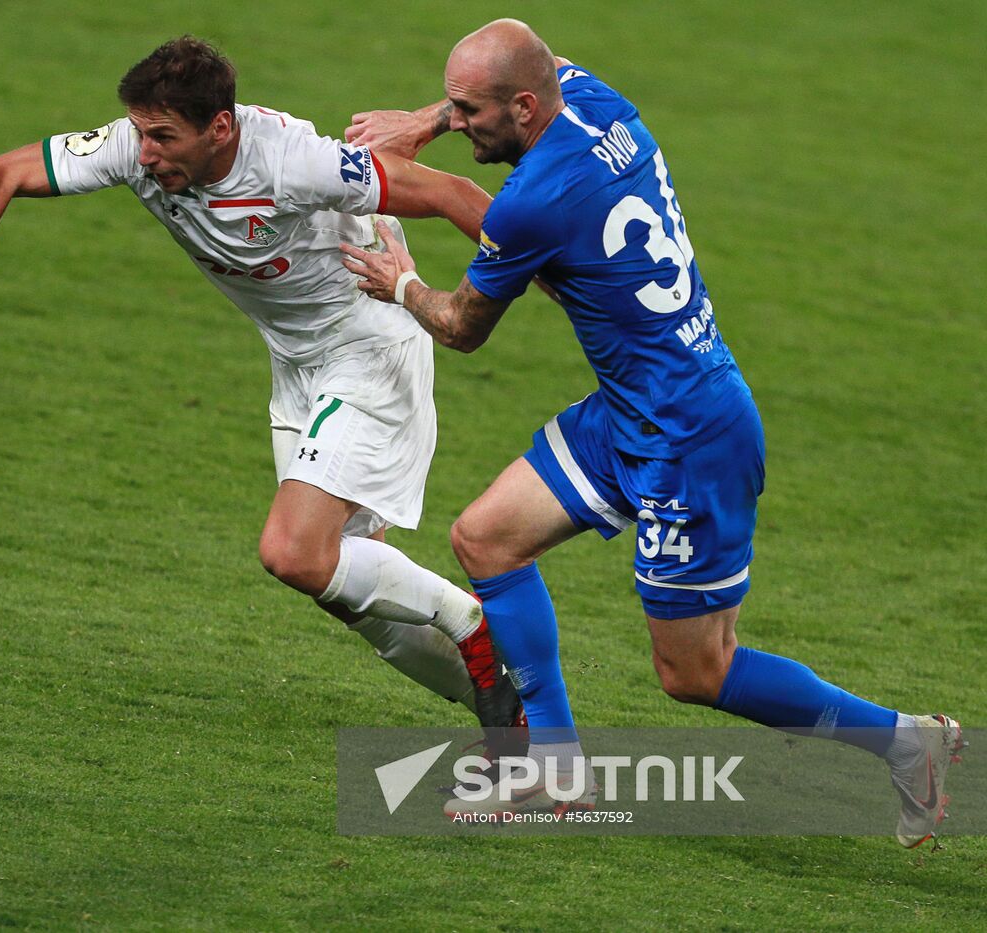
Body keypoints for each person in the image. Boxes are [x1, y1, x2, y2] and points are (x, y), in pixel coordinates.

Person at [341, 19, 962, 845]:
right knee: (486, 539)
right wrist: (431, 120)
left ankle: (907, 742)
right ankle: (554, 774)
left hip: (690, 434)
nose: (461, 122)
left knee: (695, 672)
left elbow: (458, 326)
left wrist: (401, 280)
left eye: (470, 110)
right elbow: (548, 61)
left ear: (523, 109)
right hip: (637, 404)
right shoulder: (601, 103)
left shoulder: (531, 204)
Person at [0, 36, 528, 737]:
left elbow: (454, 194)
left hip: (371, 347)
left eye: (162, 137)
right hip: (297, 367)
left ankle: (469, 626)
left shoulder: (296, 161)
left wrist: (560, 282)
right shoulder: (135, 150)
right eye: (140, 133)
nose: (144, 155)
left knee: (294, 552)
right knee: (349, 590)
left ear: (220, 129)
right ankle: (506, 712)